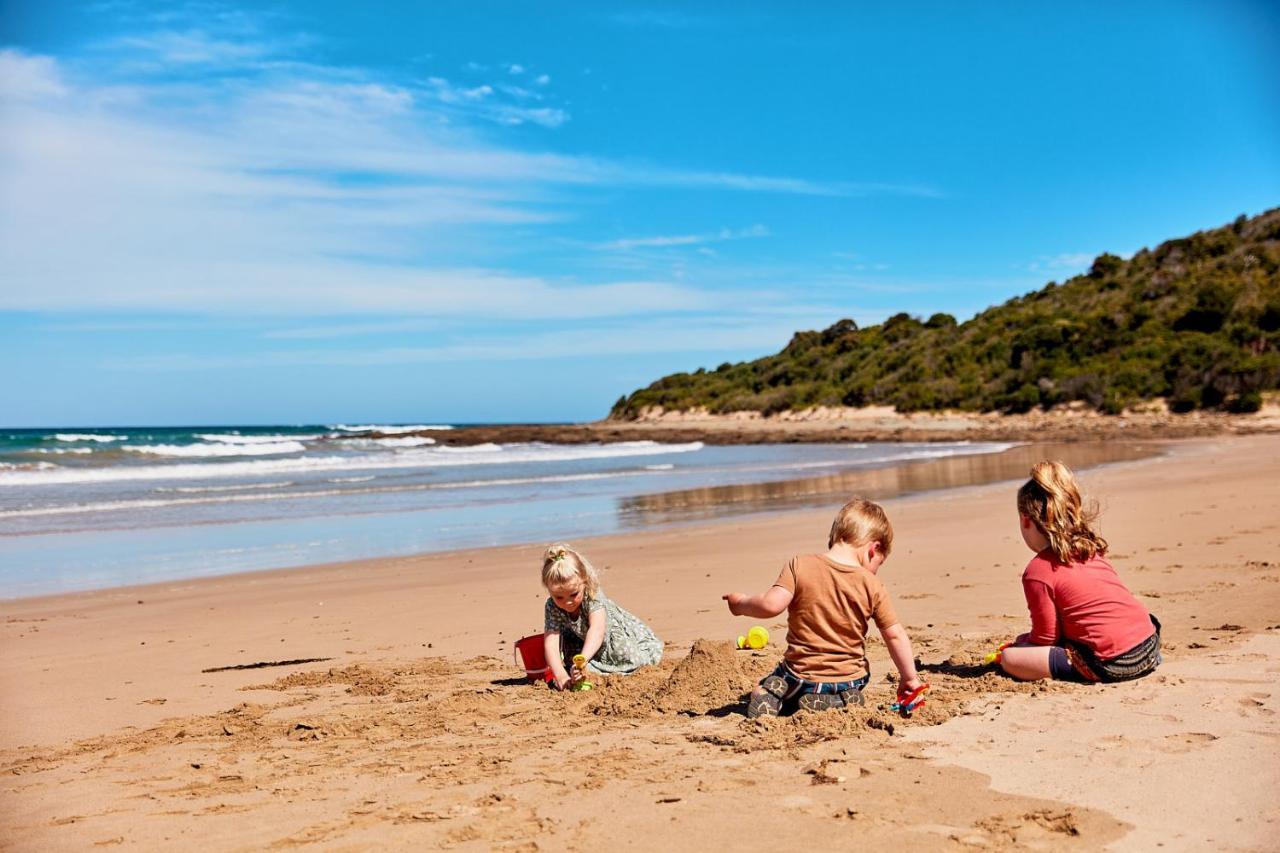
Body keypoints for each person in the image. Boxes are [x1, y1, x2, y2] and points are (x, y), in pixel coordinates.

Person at [722, 498, 926, 717]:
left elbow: (770, 606)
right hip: (850, 680)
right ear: (873, 549)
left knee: (766, 686)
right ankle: (838, 699)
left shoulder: (800, 565)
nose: (875, 570)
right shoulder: (873, 585)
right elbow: (894, 635)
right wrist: (909, 678)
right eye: (879, 563)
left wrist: (740, 603)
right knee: (852, 679)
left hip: (799, 677)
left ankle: (768, 697)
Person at [998, 461, 1161, 683]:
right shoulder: (1089, 549)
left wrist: (1022, 642)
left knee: (1010, 658)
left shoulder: (1037, 572)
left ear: (1025, 520)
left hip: (1112, 664)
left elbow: (1046, 638)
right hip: (1149, 646)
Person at [541, 543, 663, 690]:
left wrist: (584, 659)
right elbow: (551, 642)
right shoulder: (552, 606)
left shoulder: (592, 595)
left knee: (630, 659)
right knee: (571, 663)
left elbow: (597, 630)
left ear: (584, 581)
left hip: (608, 637)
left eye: (574, 594)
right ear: (548, 589)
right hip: (580, 639)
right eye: (559, 597)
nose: (567, 602)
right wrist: (560, 675)